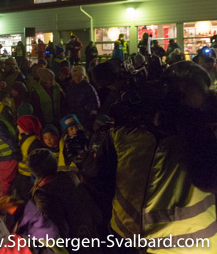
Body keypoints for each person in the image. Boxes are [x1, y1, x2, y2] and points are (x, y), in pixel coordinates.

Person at [79, 62, 217, 251]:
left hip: (184, 245)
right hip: (129, 239)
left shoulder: (204, 136)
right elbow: (98, 180)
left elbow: (207, 179)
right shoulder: (126, 134)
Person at [27, 149, 103, 250]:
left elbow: (55, 232)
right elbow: (95, 212)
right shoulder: (71, 178)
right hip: (91, 239)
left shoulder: (45, 194)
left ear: (34, 172)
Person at [64, 66, 100, 130]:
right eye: (75, 75)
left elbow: (95, 102)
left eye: (81, 75)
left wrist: (92, 116)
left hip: (86, 117)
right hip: (73, 117)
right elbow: (67, 102)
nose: (78, 77)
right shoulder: (69, 88)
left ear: (84, 76)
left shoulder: (89, 88)